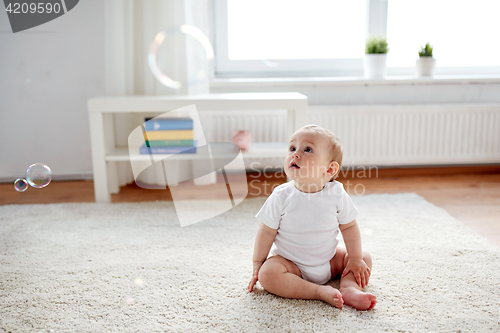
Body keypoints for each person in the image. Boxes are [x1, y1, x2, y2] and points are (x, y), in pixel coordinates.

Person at [247, 125, 377, 311]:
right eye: (292, 148)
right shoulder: (281, 195)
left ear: (330, 169)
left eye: (307, 149)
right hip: (292, 264)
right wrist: (258, 264)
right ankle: (317, 292)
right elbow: (266, 231)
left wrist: (354, 258)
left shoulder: (337, 194)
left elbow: (349, 228)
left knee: (363, 257)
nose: (295, 154)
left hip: (329, 261)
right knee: (268, 274)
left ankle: (349, 288)